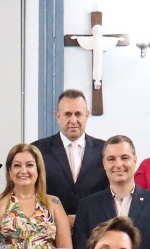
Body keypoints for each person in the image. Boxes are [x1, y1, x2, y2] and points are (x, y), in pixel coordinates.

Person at [30, 89, 108, 218]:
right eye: (67, 114)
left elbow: (108, 193)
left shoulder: (104, 150)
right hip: (50, 228)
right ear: (58, 116)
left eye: (78, 114)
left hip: (93, 228)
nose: (73, 120)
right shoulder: (38, 150)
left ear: (87, 116)